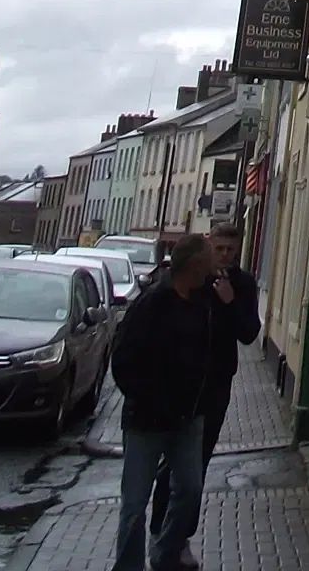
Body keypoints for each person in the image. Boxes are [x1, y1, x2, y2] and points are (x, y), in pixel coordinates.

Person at [148, 218, 260, 566]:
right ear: (209, 244)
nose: (224, 256)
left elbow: (249, 333)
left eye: (231, 250)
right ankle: (159, 531)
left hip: (216, 385)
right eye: (219, 249)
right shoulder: (194, 280)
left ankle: (181, 537)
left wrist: (229, 302)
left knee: (197, 465)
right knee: (172, 465)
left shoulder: (242, 284)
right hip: (181, 383)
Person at [109, 233, 213, 571]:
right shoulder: (152, 303)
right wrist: (147, 399)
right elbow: (123, 360)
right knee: (135, 503)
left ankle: (165, 552)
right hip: (146, 421)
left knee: (190, 489)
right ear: (194, 265)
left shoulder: (202, 301)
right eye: (209, 259)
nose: (214, 265)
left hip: (188, 418)